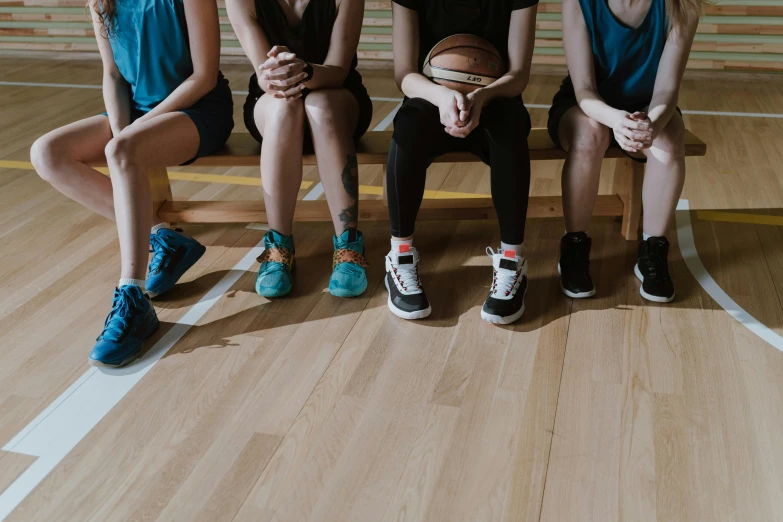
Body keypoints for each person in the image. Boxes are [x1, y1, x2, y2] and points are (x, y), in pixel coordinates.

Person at [30, 0, 234, 367]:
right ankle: (164, 238)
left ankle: (133, 296)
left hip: (196, 110)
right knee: (47, 153)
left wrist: (130, 136)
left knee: (124, 150)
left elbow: (203, 77)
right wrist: (124, 130)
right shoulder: (100, 1)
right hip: (136, 114)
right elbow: (113, 75)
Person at [384, 0, 539, 324]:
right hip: (430, 99)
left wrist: (480, 98)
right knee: (408, 124)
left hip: (495, 98)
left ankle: (512, 260)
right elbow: (404, 74)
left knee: (510, 125)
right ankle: (399, 256)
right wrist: (442, 97)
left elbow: (519, 74)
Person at [550, 0, 700, 303]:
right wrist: (616, 121)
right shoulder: (578, 3)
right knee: (590, 135)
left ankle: (652, 251)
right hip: (589, 108)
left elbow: (667, 91)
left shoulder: (683, 5)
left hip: (649, 107)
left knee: (669, 142)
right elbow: (584, 90)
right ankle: (574, 248)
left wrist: (650, 126)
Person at [226, 0, 373, 299]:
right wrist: (281, 73)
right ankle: (278, 247)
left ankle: (348, 245)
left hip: (337, 97)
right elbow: (266, 77)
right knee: (284, 107)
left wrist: (304, 70)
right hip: (273, 101)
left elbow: (338, 70)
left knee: (320, 105)